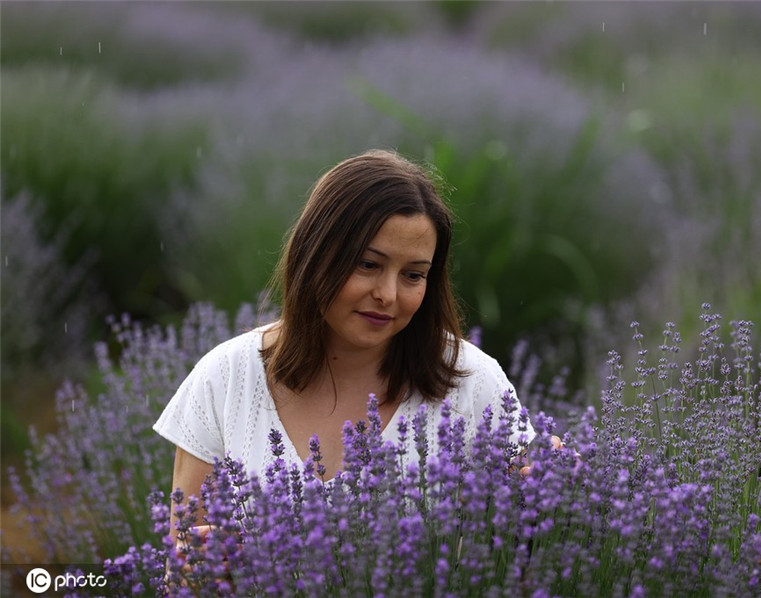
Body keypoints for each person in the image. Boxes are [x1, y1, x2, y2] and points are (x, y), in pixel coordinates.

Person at [153, 150, 537, 528]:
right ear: (315, 254)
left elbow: (522, 557)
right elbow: (182, 562)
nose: (388, 294)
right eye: (368, 265)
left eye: (413, 275)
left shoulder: (472, 384)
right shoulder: (227, 378)